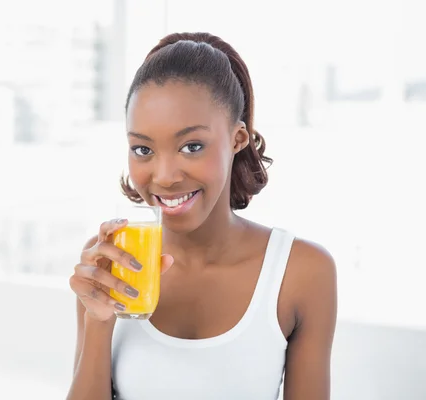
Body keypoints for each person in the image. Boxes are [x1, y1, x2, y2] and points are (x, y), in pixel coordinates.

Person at [67, 32, 337, 400]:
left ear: (238, 138)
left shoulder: (302, 272)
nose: (163, 176)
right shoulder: (109, 262)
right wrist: (98, 324)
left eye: (192, 146)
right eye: (142, 149)